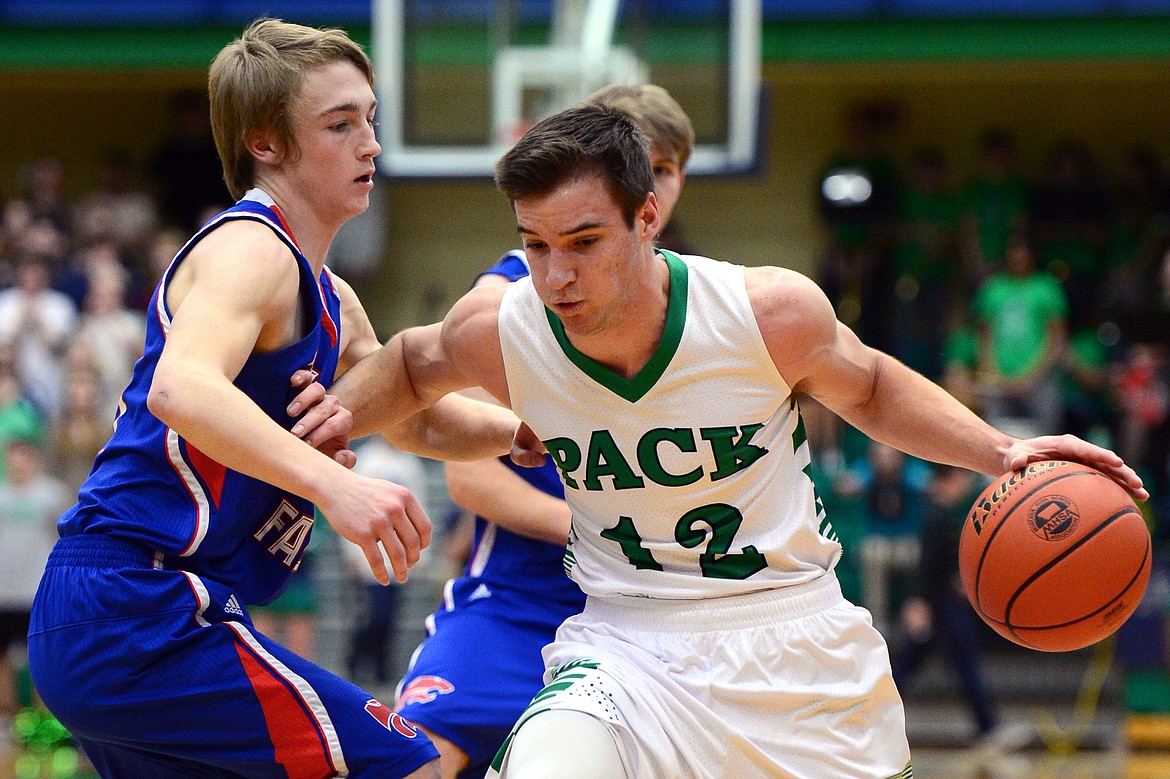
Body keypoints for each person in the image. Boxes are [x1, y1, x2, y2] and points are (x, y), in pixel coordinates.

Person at [301, 104, 1146, 779]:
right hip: (625, 645)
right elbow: (413, 364)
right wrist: (301, 445)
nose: (555, 275)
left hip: (790, 638)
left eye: (584, 243)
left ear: (648, 216)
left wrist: (1002, 453)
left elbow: (878, 385)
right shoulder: (506, 325)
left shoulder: (764, 312)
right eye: (536, 245)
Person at [27, 19, 522, 779]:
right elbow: (180, 387)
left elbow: (417, 412)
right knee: (412, 765)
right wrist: (335, 484)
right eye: (341, 123)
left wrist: (520, 434)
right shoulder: (251, 249)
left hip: (150, 608)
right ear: (266, 143)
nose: (371, 144)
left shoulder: (329, 294)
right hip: (138, 601)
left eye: (371, 120)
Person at [394, 83, 693, 779]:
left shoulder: (695, 303)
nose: (654, 179)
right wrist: (596, 524)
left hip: (640, 617)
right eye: (643, 161)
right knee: (414, 759)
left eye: (668, 167)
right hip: (516, 600)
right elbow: (467, 473)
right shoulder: (518, 289)